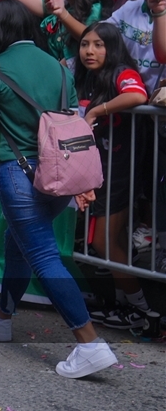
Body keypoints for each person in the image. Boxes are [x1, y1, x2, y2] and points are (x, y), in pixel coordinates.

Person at [0, 0, 119, 379]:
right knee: (21, 243)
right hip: (58, 174)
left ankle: (89, 342)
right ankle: (2, 316)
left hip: (18, 173)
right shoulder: (60, 67)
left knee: (42, 255)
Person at [73, 23, 156, 332]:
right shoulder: (86, 78)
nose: (90, 51)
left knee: (103, 241)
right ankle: (124, 306)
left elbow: (137, 94)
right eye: (85, 45)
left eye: (98, 45)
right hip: (97, 171)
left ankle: (145, 312)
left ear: (113, 47)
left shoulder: (121, 72)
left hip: (119, 171)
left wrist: (98, 111)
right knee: (113, 241)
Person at [107, 0, 166, 94]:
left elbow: (163, 55)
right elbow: (100, 33)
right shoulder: (131, 6)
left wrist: (159, 12)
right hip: (136, 99)